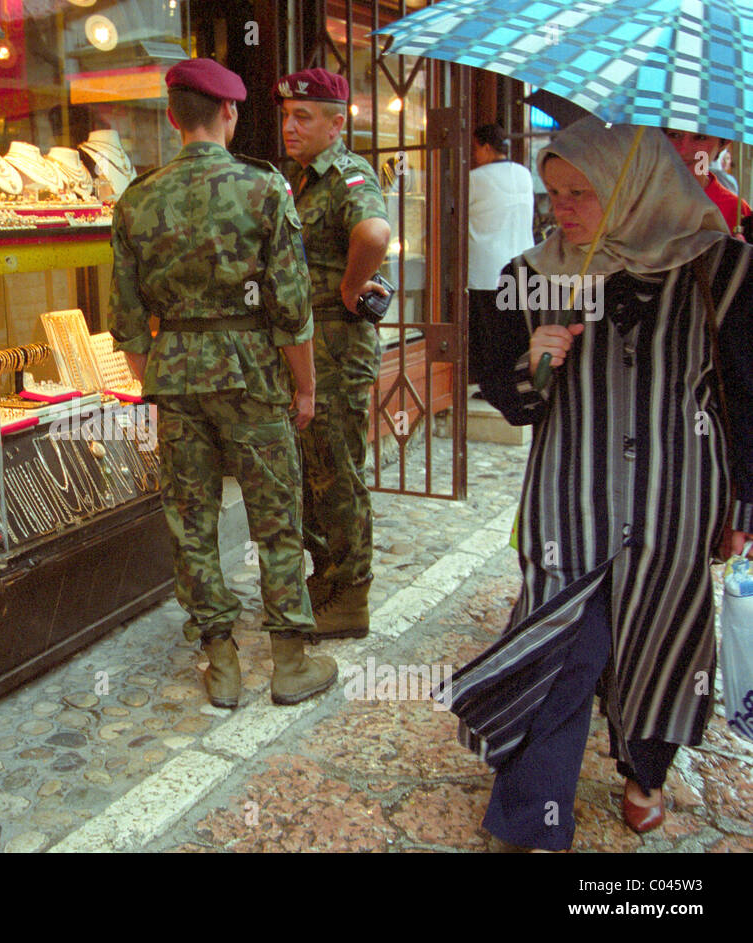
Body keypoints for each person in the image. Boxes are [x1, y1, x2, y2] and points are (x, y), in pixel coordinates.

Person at [457, 118, 753, 851]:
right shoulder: (530, 278)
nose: (562, 208)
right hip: (571, 496)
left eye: (582, 193)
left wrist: (744, 502)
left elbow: (746, 396)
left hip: (678, 497)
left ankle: (645, 766)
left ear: (637, 186)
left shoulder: (722, 268)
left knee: (664, 636)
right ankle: (535, 814)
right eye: (554, 192)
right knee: (561, 642)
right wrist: (533, 361)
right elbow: (507, 395)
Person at [109, 58, 336, 709]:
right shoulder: (265, 191)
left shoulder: (136, 200)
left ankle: (222, 660)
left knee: (191, 521)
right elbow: (292, 310)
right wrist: (307, 389)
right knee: (276, 518)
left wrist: (167, 376)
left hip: (177, 377)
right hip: (252, 375)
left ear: (173, 116)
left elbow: (127, 330)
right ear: (229, 114)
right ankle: (290, 660)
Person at [275, 68, 390, 639]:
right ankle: (328, 577)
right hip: (310, 350)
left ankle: (353, 596)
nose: (290, 127)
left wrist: (350, 288)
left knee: (339, 472)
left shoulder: (347, 173)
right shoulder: (301, 177)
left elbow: (374, 234)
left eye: (304, 117)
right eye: (286, 115)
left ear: (336, 124)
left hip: (338, 352)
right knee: (315, 471)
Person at [467, 123, 534, 385]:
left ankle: (490, 383)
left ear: (486, 147)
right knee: (512, 332)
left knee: (489, 334)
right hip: (519, 261)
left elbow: (452, 212)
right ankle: (511, 380)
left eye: (475, 148)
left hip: (485, 268)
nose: (474, 155)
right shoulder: (524, 173)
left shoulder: (476, 179)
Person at [664, 129, 751, 236]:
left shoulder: (737, 212)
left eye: (700, 137)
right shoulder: (643, 193)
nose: (683, 150)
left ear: (723, 144)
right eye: (674, 135)